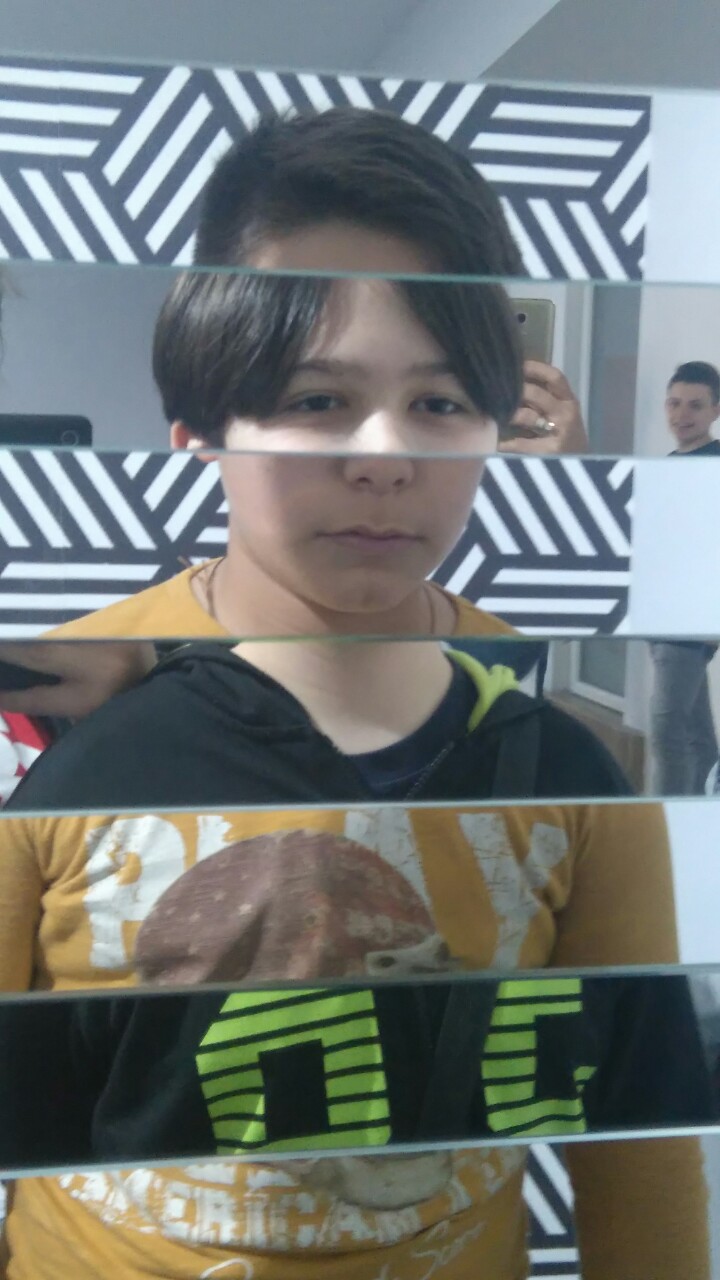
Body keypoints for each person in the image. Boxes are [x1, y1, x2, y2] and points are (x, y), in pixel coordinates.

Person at [0, 107, 709, 1280]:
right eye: (316, 397)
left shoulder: (527, 717)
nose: (387, 457)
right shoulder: (61, 699)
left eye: (440, 402)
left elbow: (640, 1133)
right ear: (199, 435)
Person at [648, 362, 720, 795]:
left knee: (666, 730)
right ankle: (707, 813)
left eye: (695, 405)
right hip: (662, 613)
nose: (681, 414)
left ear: (716, 410)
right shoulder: (669, 464)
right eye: (674, 403)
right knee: (694, 730)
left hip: (692, 617)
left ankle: (667, 824)